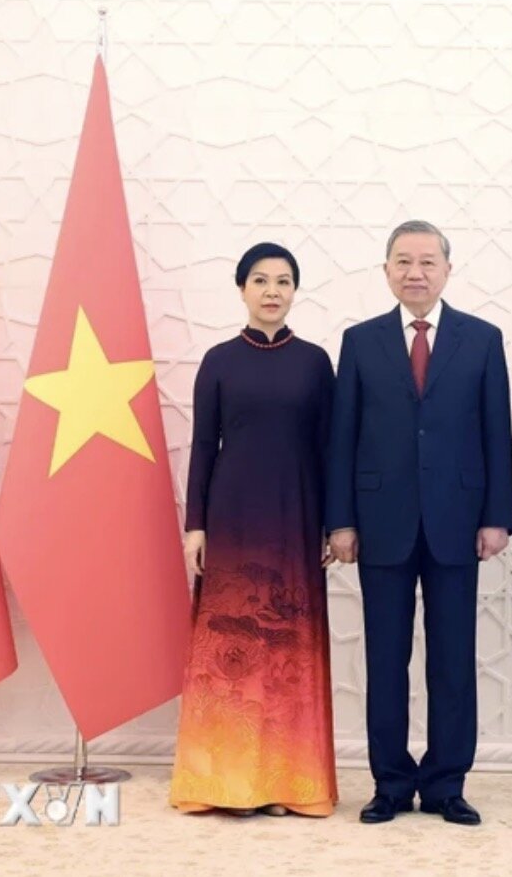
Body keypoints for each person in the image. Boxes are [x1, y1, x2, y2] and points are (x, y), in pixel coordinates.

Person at [325, 220, 512, 827]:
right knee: (386, 660)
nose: (416, 272)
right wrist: (340, 521)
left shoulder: (481, 339)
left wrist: (497, 517)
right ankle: (389, 782)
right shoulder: (360, 341)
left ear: (447, 271)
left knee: (453, 660)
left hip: (458, 520)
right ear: (386, 271)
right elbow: (343, 436)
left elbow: (496, 432)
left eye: (428, 262)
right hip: (380, 521)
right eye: (403, 261)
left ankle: (445, 784)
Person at [170, 242, 338, 818]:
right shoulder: (218, 360)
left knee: (286, 649)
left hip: (297, 516)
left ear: (295, 291)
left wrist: (332, 522)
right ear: (242, 289)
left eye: (283, 281)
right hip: (232, 517)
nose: (272, 291)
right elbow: (202, 446)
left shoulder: (315, 362)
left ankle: (288, 783)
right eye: (261, 280)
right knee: (230, 648)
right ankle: (227, 784)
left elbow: (329, 448)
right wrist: (195, 525)